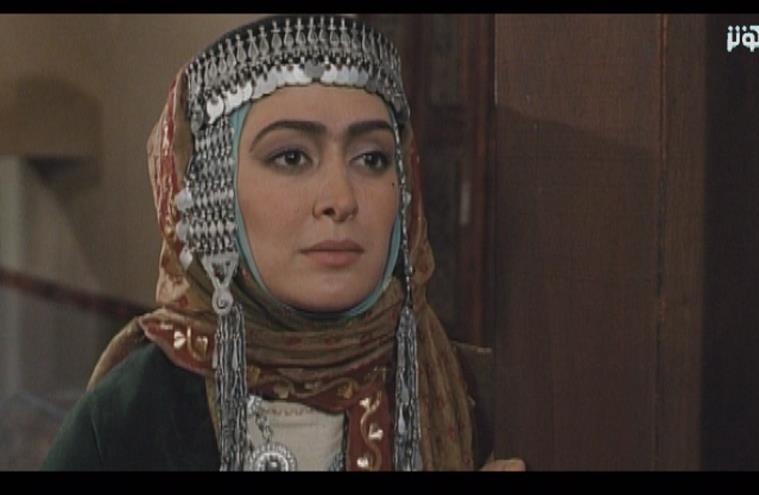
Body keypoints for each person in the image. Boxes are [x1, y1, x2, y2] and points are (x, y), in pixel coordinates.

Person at [42, 14, 523, 471]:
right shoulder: (132, 420)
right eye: (291, 157)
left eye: (372, 159)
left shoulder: (477, 398)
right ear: (214, 196)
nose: (340, 199)